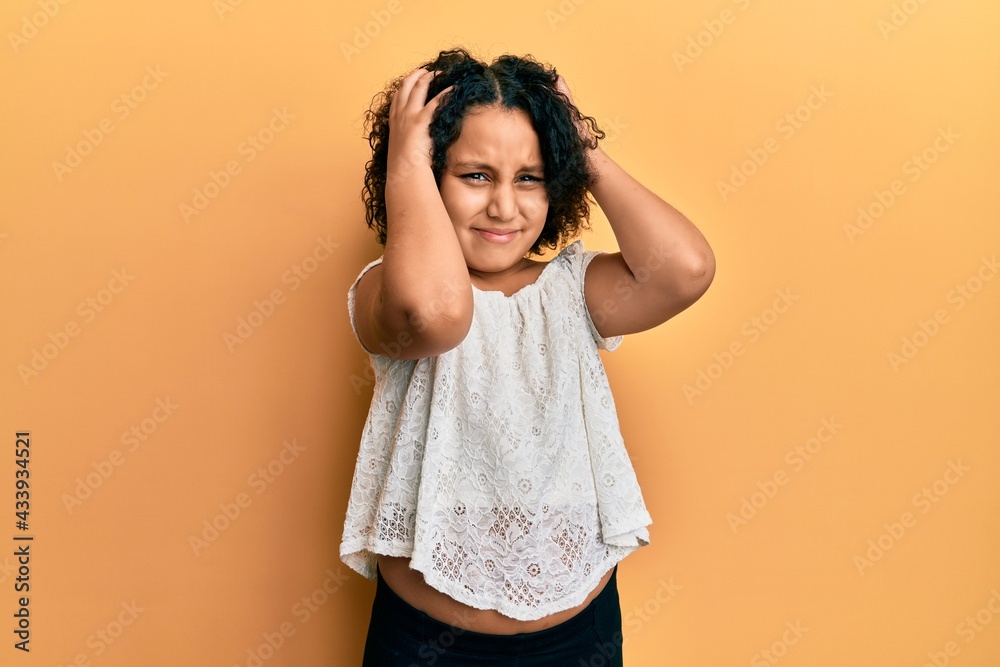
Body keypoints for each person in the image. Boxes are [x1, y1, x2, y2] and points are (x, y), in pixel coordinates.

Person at [342, 47, 715, 666]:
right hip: (426, 643)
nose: (505, 208)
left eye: (531, 177)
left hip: (577, 636)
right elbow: (437, 314)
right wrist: (406, 159)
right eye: (475, 175)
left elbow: (686, 269)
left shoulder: (571, 289)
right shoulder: (386, 289)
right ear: (428, 176)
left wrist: (581, 148)